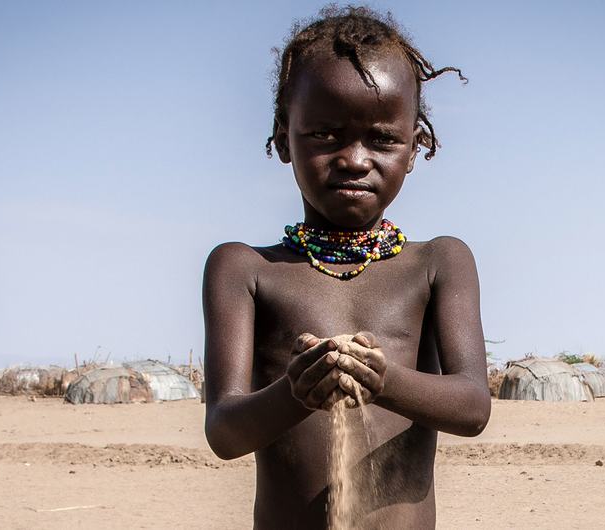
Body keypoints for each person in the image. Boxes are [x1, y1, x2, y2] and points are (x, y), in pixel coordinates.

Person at [202, 6, 490, 528]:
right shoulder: (245, 270)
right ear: (283, 135)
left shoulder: (438, 263)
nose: (355, 159)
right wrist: (295, 392)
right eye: (326, 135)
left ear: (415, 146)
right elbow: (225, 432)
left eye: (382, 139)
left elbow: (472, 406)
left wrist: (385, 381)